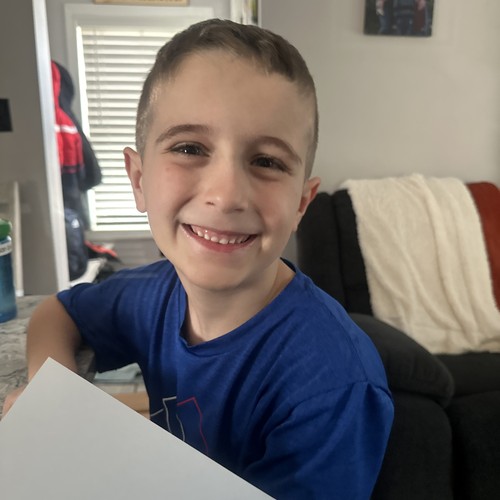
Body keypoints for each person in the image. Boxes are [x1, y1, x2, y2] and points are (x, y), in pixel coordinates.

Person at [3, 19, 394, 499]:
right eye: (189, 148)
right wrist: (51, 392)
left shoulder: (334, 385)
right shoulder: (153, 293)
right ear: (139, 179)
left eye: (267, 161)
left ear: (300, 203)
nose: (226, 195)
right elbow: (59, 312)